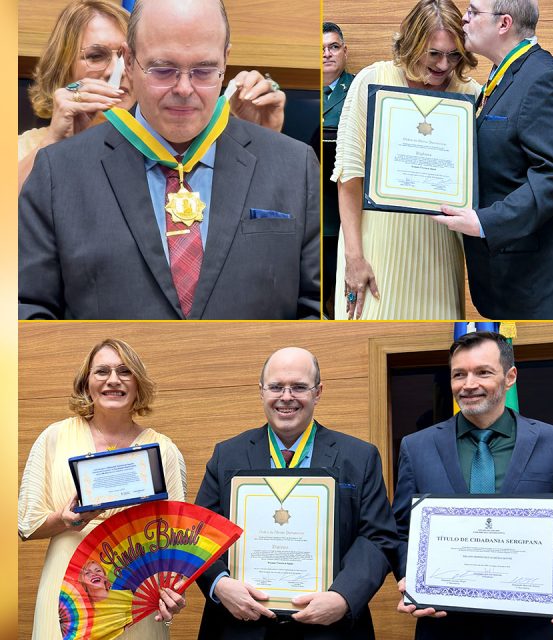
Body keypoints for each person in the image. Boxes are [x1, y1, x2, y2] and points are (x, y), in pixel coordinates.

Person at [19, 0, 317, 320]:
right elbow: (29, 308)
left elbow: (313, 304)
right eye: (163, 70)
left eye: (203, 70)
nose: (184, 88)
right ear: (131, 61)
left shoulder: (294, 163)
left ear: (226, 59)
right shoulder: (57, 168)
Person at [391, 332, 553, 638]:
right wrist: (411, 576)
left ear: (510, 377)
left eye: (483, 372)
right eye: (459, 374)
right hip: (444, 625)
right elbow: (400, 531)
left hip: (529, 627)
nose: (469, 384)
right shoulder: (417, 446)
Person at [191, 347, 396, 638]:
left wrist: (344, 596)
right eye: (276, 387)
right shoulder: (227, 455)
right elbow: (200, 531)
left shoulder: (360, 457)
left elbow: (378, 537)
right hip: (241, 625)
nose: (286, 397)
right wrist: (220, 584)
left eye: (299, 387)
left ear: (318, 391)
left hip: (330, 628)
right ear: (261, 391)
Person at [425, 0, 553, 319]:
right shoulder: (503, 76)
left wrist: (484, 222)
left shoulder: (544, 79)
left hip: (549, 281)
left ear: (504, 23)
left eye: (472, 12)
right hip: (514, 277)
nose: (464, 20)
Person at [18, 0, 285, 190]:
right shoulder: (24, 147)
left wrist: (262, 135)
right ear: (63, 67)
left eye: (125, 58)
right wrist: (54, 141)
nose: (117, 70)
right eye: (96, 56)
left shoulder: (183, 146)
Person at [19, 339, 187, 639]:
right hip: (66, 587)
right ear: (87, 382)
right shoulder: (54, 437)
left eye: (125, 371)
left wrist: (172, 591)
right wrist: (65, 519)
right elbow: (26, 526)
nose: (113, 380)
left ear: (138, 384)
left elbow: (175, 539)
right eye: (102, 371)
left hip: (135, 593)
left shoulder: (164, 449)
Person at [333, 0, 480, 320]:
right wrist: (354, 258)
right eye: (435, 53)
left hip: (439, 250)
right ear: (412, 43)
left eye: (454, 54)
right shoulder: (372, 80)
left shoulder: (471, 94)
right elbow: (350, 176)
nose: (444, 65)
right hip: (376, 247)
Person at [320, 21, 354, 318]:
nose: (327, 54)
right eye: (320, 49)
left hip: (339, 211)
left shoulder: (358, 88)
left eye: (333, 47)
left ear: (345, 51)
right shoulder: (291, 92)